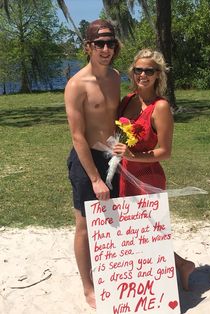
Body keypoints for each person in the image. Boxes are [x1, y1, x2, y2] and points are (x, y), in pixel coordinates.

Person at [113, 48, 195, 291]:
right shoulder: (127, 100)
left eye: (149, 70)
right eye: (138, 69)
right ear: (132, 72)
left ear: (158, 75)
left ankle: (179, 267)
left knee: (151, 231)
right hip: (124, 173)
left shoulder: (160, 107)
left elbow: (165, 152)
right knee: (134, 233)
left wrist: (133, 155)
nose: (143, 74)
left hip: (148, 177)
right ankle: (177, 266)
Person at [65, 19, 121, 309]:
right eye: (99, 43)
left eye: (110, 42)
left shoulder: (115, 77)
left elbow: (115, 121)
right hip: (87, 161)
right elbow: (77, 136)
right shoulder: (76, 85)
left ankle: (110, 271)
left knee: (113, 220)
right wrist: (95, 179)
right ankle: (88, 287)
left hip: (113, 158)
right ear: (88, 47)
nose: (105, 48)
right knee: (85, 225)